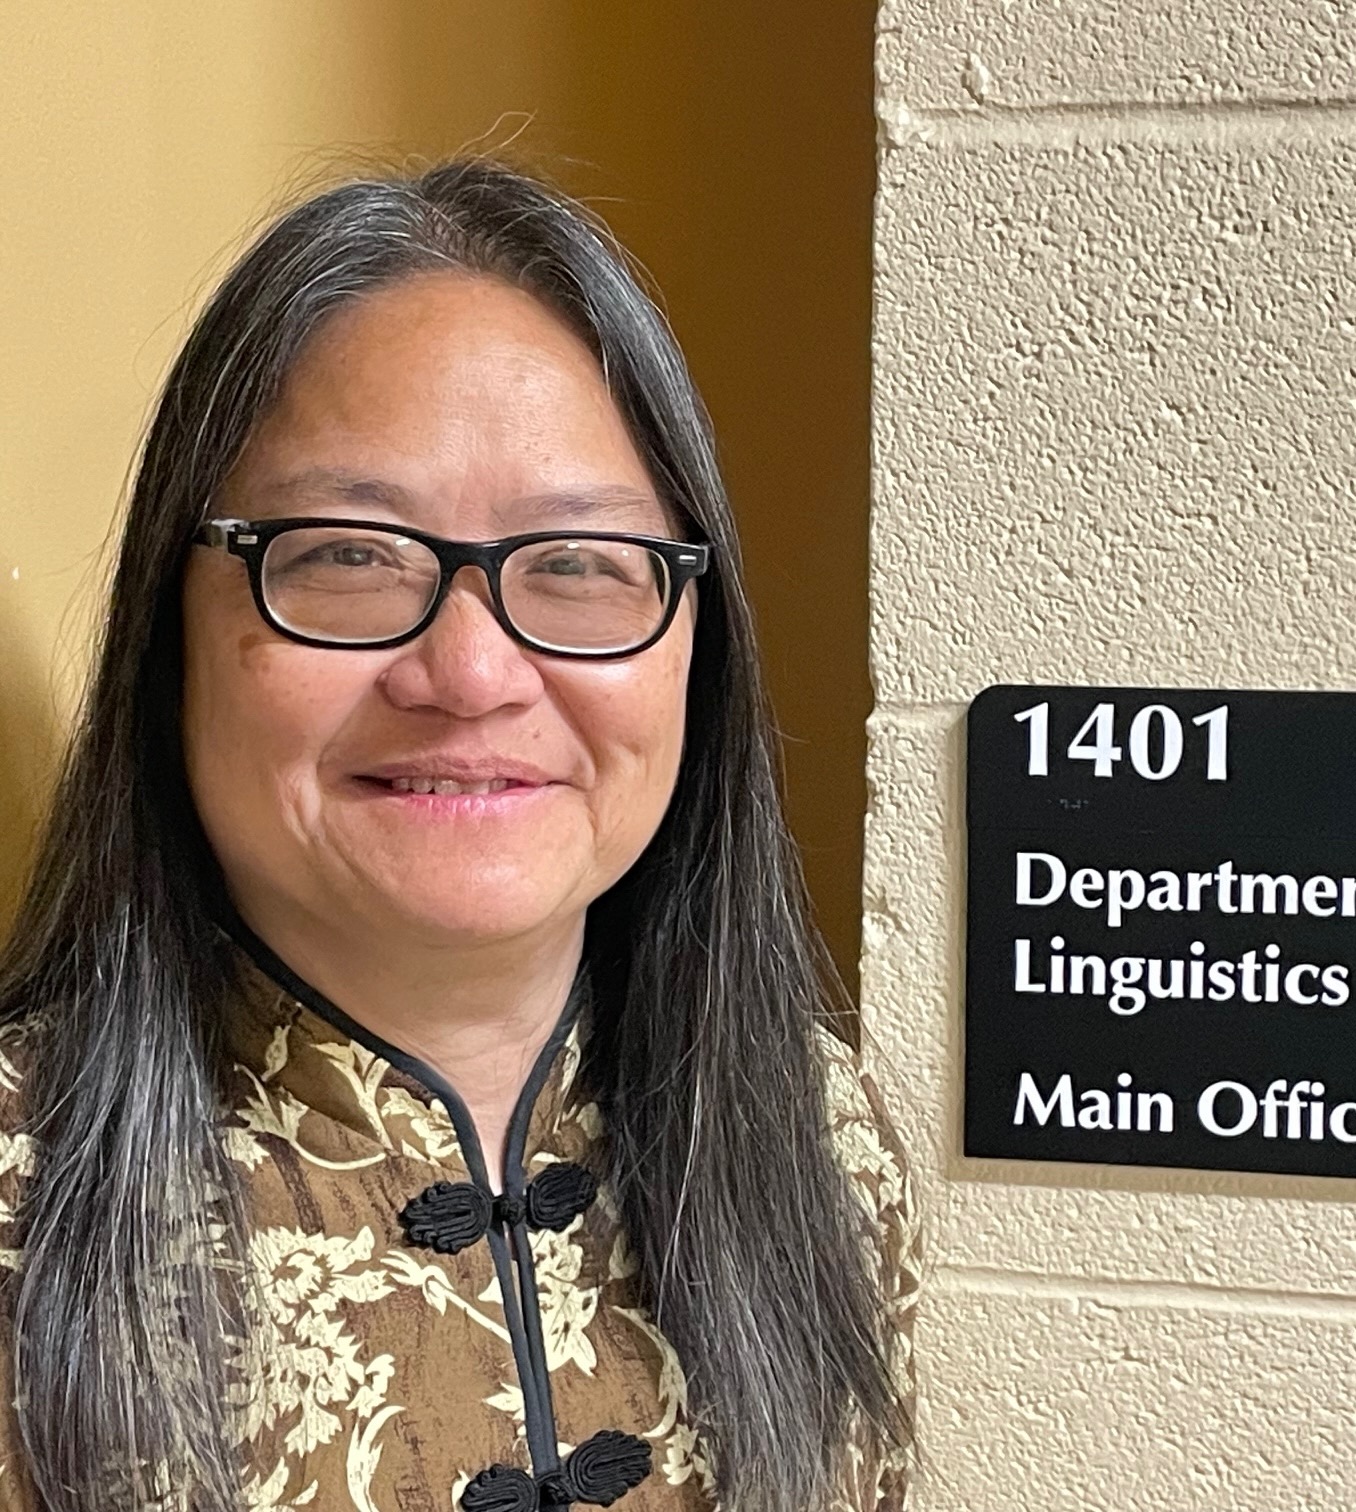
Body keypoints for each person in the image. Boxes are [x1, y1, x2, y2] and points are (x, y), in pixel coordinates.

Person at [0, 160, 918, 1512]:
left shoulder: (816, 1139)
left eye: (579, 564)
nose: (473, 673)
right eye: (348, 555)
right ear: (169, 632)